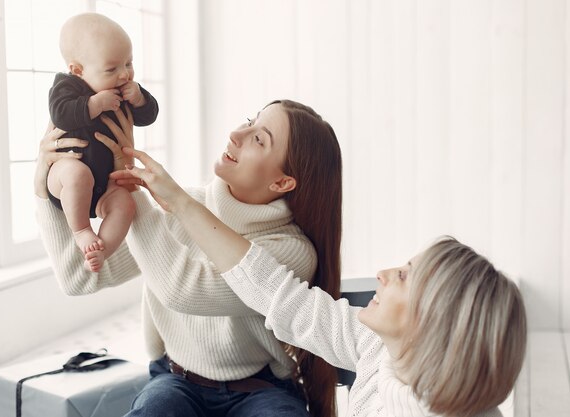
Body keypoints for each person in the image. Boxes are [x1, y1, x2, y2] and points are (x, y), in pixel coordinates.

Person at [111, 149, 528, 417]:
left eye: (404, 275)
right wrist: (179, 202)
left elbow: (186, 287)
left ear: (435, 323)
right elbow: (277, 293)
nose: (384, 273)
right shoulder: (375, 351)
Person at [35, 100, 343, 416]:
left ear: (281, 182)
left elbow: (185, 290)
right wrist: (45, 190)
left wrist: (133, 193)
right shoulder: (178, 206)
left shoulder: (292, 251)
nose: (237, 133)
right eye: (249, 121)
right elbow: (79, 277)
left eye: (259, 139)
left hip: (260, 391)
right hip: (175, 380)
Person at [47, 12, 159, 272]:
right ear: (78, 70)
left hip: (105, 185)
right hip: (65, 176)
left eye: (129, 63)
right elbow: (60, 113)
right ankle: (82, 230)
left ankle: (101, 251)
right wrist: (93, 104)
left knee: (125, 204)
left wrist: (140, 99)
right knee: (78, 174)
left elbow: (148, 116)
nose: (124, 75)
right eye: (112, 69)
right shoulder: (67, 87)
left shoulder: (126, 88)